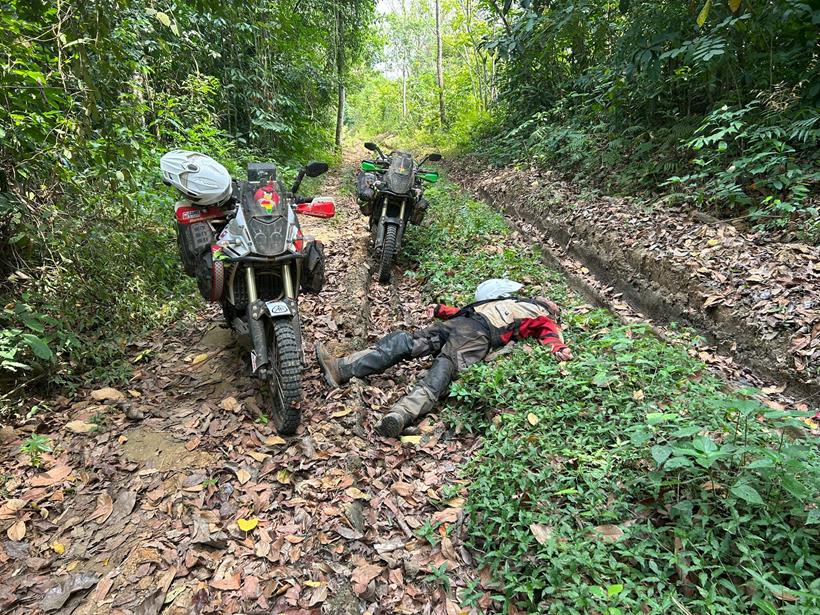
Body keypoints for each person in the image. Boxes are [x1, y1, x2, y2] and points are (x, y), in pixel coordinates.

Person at [314, 279, 572, 437]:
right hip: (464, 324)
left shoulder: (538, 313)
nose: (547, 300)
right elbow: (465, 311)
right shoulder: (505, 301)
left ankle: (401, 414)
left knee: (443, 369)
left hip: (478, 336)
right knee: (406, 342)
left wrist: (558, 348)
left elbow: (548, 333)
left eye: (550, 303)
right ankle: (341, 368)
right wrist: (441, 310)